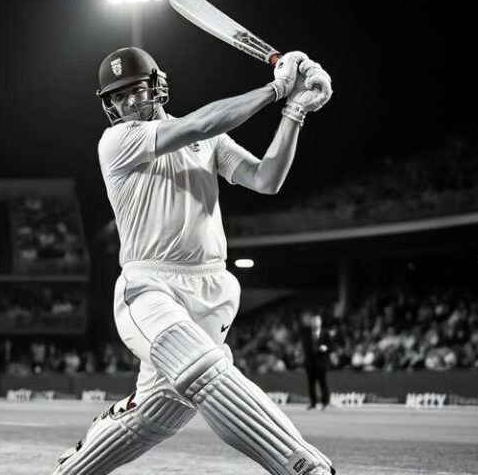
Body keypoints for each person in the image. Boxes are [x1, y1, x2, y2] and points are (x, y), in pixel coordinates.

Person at [52, 46, 335, 475]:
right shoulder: (117, 141)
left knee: (153, 416)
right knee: (204, 369)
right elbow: (201, 122)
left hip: (212, 288)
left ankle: (69, 471)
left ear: (157, 85)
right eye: (117, 96)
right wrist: (277, 87)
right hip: (148, 289)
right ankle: (303, 466)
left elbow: (266, 179)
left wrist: (294, 112)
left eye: (135, 90)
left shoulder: (210, 140)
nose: (126, 102)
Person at [301, 313, 332, 410]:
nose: (315, 323)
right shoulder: (306, 334)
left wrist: (325, 348)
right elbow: (305, 348)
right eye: (313, 321)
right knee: (311, 384)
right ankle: (313, 403)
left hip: (322, 363)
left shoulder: (326, 333)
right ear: (311, 323)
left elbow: (332, 347)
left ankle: (325, 402)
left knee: (323, 383)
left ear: (320, 322)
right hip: (310, 363)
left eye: (317, 321)